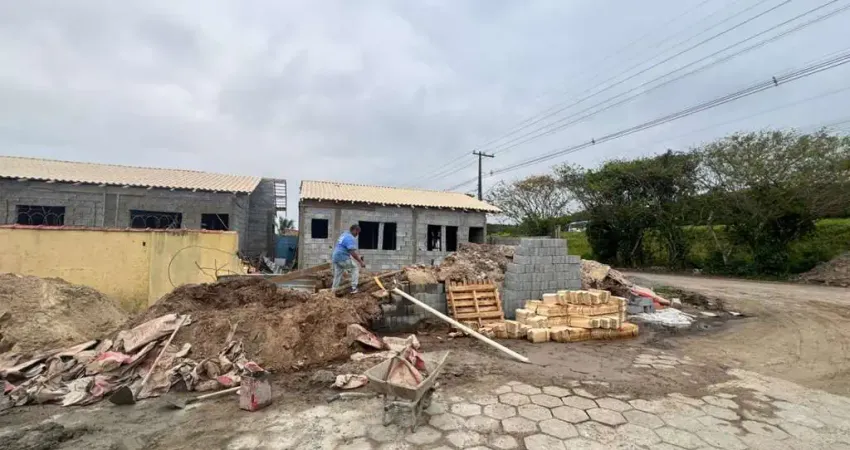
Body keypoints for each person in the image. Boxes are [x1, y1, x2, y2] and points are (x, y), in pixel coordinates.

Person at [332, 224, 366, 293]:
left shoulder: (344, 234)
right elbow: (352, 252)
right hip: (342, 257)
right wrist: (360, 262)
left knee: (338, 274)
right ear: (354, 230)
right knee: (355, 267)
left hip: (336, 257)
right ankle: (354, 288)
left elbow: (347, 249)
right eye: (357, 232)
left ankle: (334, 290)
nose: (357, 234)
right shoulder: (350, 237)